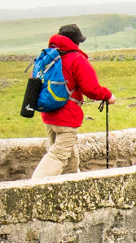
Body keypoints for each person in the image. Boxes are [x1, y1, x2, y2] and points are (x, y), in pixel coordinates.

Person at [30, 24, 113, 179]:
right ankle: (31, 189)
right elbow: (91, 89)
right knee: (58, 156)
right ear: (75, 41)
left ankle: (74, 186)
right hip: (66, 116)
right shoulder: (76, 59)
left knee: (70, 157)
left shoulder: (50, 57)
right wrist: (108, 95)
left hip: (49, 113)